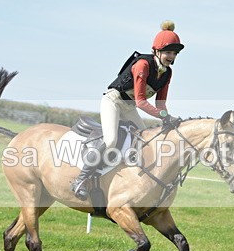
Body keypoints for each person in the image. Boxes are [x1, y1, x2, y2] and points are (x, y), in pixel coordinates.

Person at [71, 20, 184, 200]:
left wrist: (167, 118)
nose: (171, 56)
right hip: (114, 102)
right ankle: (80, 180)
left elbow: (160, 104)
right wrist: (164, 116)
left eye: (174, 53)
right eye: (168, 52)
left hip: (129, 107)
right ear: (156, 51)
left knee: (146, 142)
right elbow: (141, 101)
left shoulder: (167, 73)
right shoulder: (143, 65)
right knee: (111, 140)